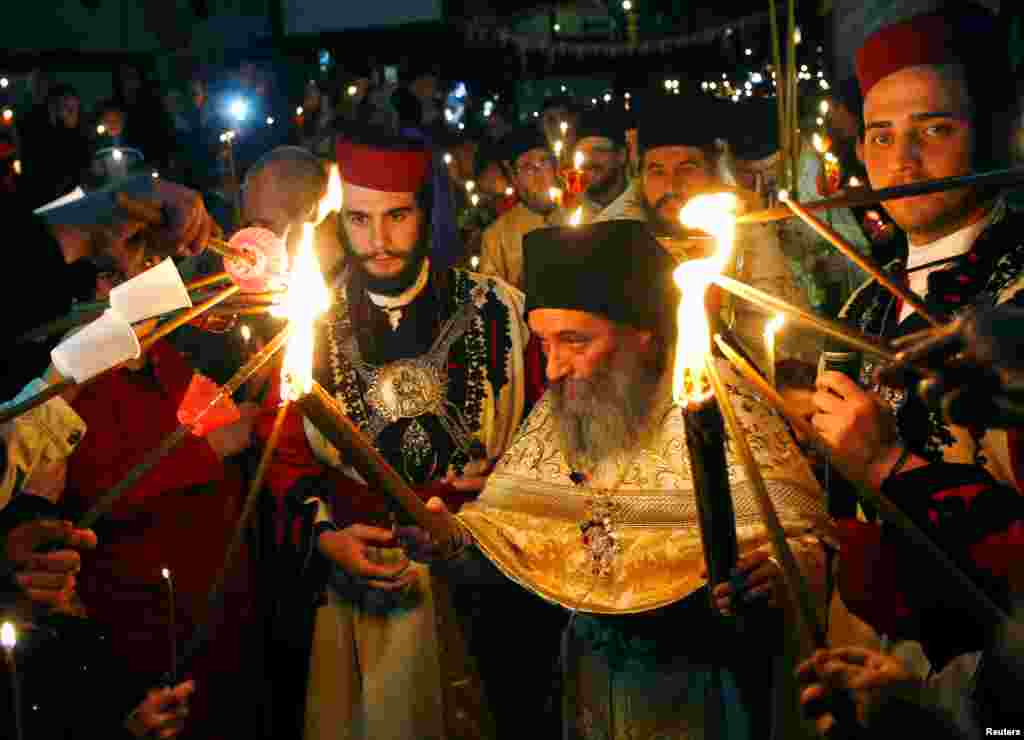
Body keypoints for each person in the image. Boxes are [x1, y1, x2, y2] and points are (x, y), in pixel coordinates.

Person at [404, 221, 832, 739]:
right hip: (589, 690)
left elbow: (807, 546)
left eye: (575, 340)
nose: (555, 367)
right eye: (542, 343)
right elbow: (509, 538)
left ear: (643, 333)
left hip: (707, 694)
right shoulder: (561, 412)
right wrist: (451, 541)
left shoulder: (729, 409)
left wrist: (776, 579)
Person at [256, 125, 535, 739]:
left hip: (482, 588)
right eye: (358, 220)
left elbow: (551, 445)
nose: (377, 241)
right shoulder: (309, 323)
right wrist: (324, 537)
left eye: (397, 216)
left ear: (426, 210)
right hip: (360, 597)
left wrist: (495, 502)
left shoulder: (503, 311)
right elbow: (283, 462)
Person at [595, 94, 812, 366]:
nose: (671, 186)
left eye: (686, 169)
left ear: (712, 173)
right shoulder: (616, 238)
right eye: (657, 171)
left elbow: (784, 340)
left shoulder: (745, 231)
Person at [1, 175, 217, 400]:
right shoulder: (49, 325)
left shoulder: (171, 368)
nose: (143, 266)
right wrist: (81, 357)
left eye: (151, 262)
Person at [477, 125, 566, 290]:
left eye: (544, 162)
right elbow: (490, 302)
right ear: (513, 177)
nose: (539, 175)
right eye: (527, 167)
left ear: (555, 167)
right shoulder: (496, 237)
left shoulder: (584, 213)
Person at [572, 111, 630, 224]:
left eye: (599, 150)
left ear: (621, 155)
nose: (589, 159)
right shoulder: (568, 213)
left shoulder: (644, 206)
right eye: (582, 152)